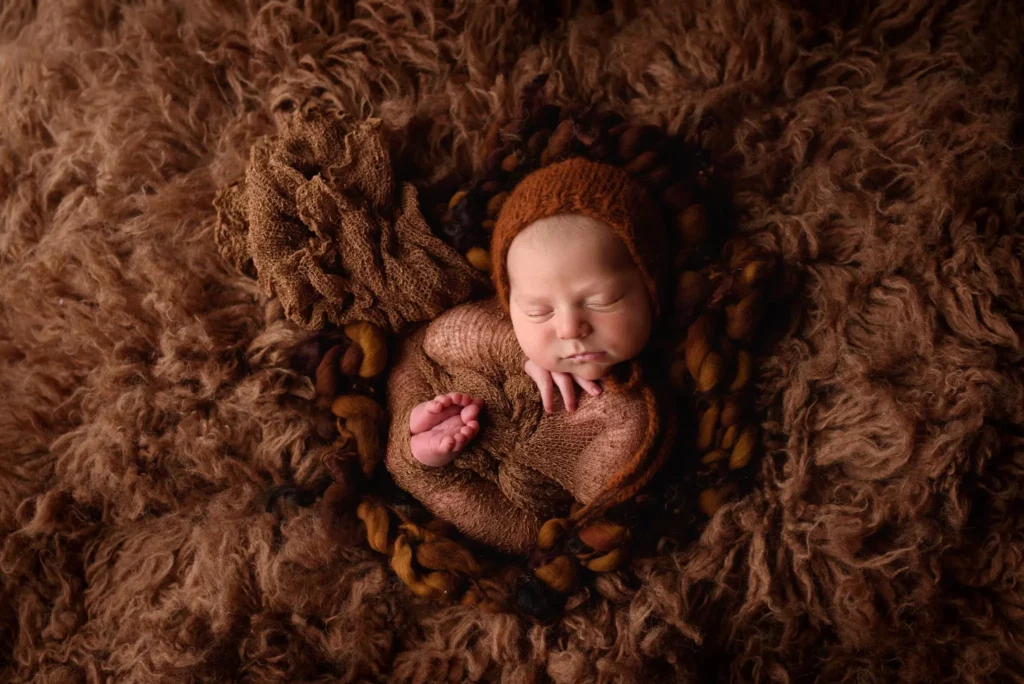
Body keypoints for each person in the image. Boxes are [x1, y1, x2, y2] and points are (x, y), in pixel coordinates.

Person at [384, 156, 670, 554]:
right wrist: (520, 354)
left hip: (495, 487)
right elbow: (435, 339)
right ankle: (411, 447)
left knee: (513, 525)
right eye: (539, 311)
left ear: (650, 287)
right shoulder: (501, 333)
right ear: (509, 303)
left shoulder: (626, 417)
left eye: (603, 301)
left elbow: (527, 534)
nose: (570, 329)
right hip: (425, 383)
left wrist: (425, 467)